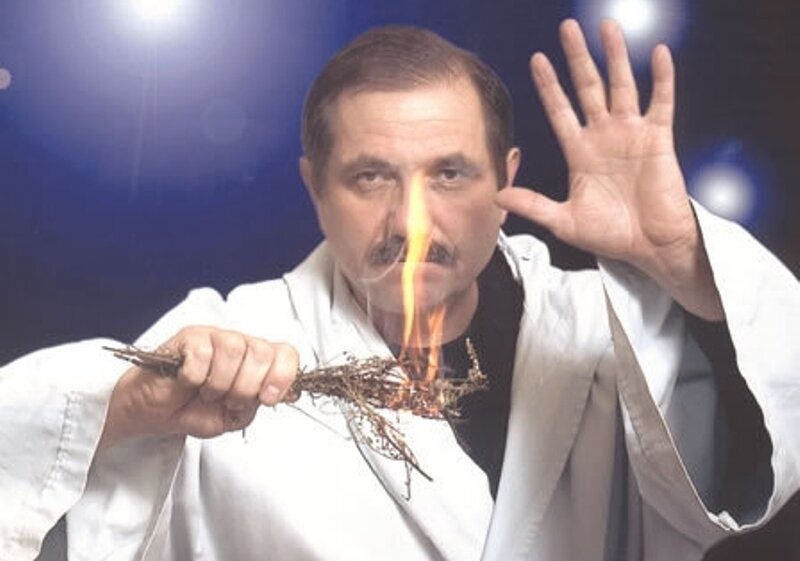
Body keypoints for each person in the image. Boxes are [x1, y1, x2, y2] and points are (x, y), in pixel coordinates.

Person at [1, 19, 798, 561]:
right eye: (371, 176)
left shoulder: (604, 332)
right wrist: (130, 409)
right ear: (316, 188)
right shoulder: (226, 343)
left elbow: (754, 451)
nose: (411, 221)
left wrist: (683, 261)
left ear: (506, 180)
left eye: (450, 173)